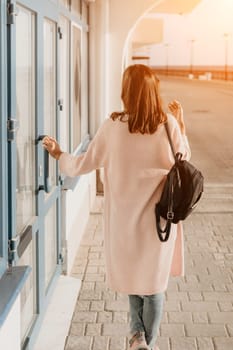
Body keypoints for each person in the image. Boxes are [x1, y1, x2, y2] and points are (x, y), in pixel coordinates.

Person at [43, 64, 191, 350]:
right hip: (159, 223)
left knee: (133, 277)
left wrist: (59, 154)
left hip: (123, 222)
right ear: (153, 91)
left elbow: (84, 164)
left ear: (126, 92)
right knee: (153, 284)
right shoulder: (168, 124)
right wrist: (181, 124)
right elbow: (184, 159)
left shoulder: (112, 127)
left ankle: (138, 338)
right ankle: (146, 341)